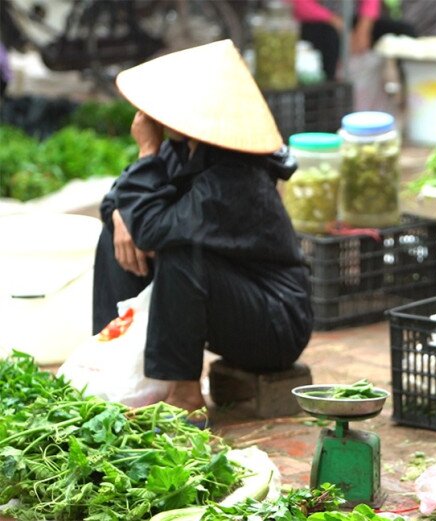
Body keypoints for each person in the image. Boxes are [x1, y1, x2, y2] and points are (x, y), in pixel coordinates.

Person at [92, 40, 313, 417]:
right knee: (115, 233)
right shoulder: (188, 150)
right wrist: (117, 215)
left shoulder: (236, 177)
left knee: (180, 253)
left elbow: (151, 229)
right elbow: (121, 203)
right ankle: (113, 366)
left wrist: (146, 153)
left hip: (274, 323)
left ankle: (186, 395)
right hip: (228, 298)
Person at [292, 0, 415, 80]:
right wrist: (338, 24)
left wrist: (363, 29)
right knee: (328, 36)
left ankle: (408, 92)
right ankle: (328, 103)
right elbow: (299, 4)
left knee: (404, 32)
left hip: (353, 19)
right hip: (317, 21)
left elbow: (370, 4)